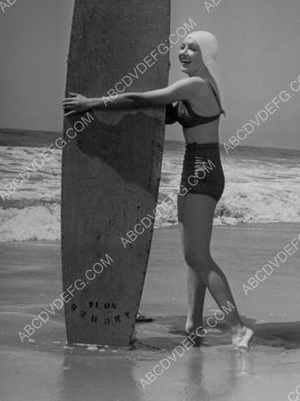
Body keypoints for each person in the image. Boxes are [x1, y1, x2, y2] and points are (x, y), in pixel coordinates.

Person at [62, 30, 253, 350]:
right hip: (197, 169)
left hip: (201, 170)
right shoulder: (198, 85)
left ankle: (237, 327)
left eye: (193, 48)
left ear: (206, 54)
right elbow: (165, 114)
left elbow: (143, 99)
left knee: (198, 256)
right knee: (195, 256)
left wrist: (91, 103)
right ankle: (194, 325)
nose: (184, 51)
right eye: (182, 45)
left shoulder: (194, 85)